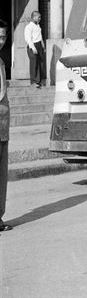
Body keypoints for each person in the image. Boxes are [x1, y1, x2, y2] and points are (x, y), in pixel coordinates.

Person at [0, 19, 12, 232]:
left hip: (2, 125)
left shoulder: (1, 62)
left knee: (1, 174)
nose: (1, 41)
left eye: (4, 37)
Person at [24, 11, 45, 88]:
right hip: (33, 45)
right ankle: (33, 82)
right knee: (34, 63)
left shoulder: (38, 26)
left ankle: (38, 81)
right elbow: (28, 38)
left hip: (39, 45)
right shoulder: (29, 27)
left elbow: (40, 36)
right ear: (34, 17)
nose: (40, 19)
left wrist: (43, 45)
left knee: (40, 63)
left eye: (40, 17)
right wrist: (33, 47)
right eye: (38, 17)